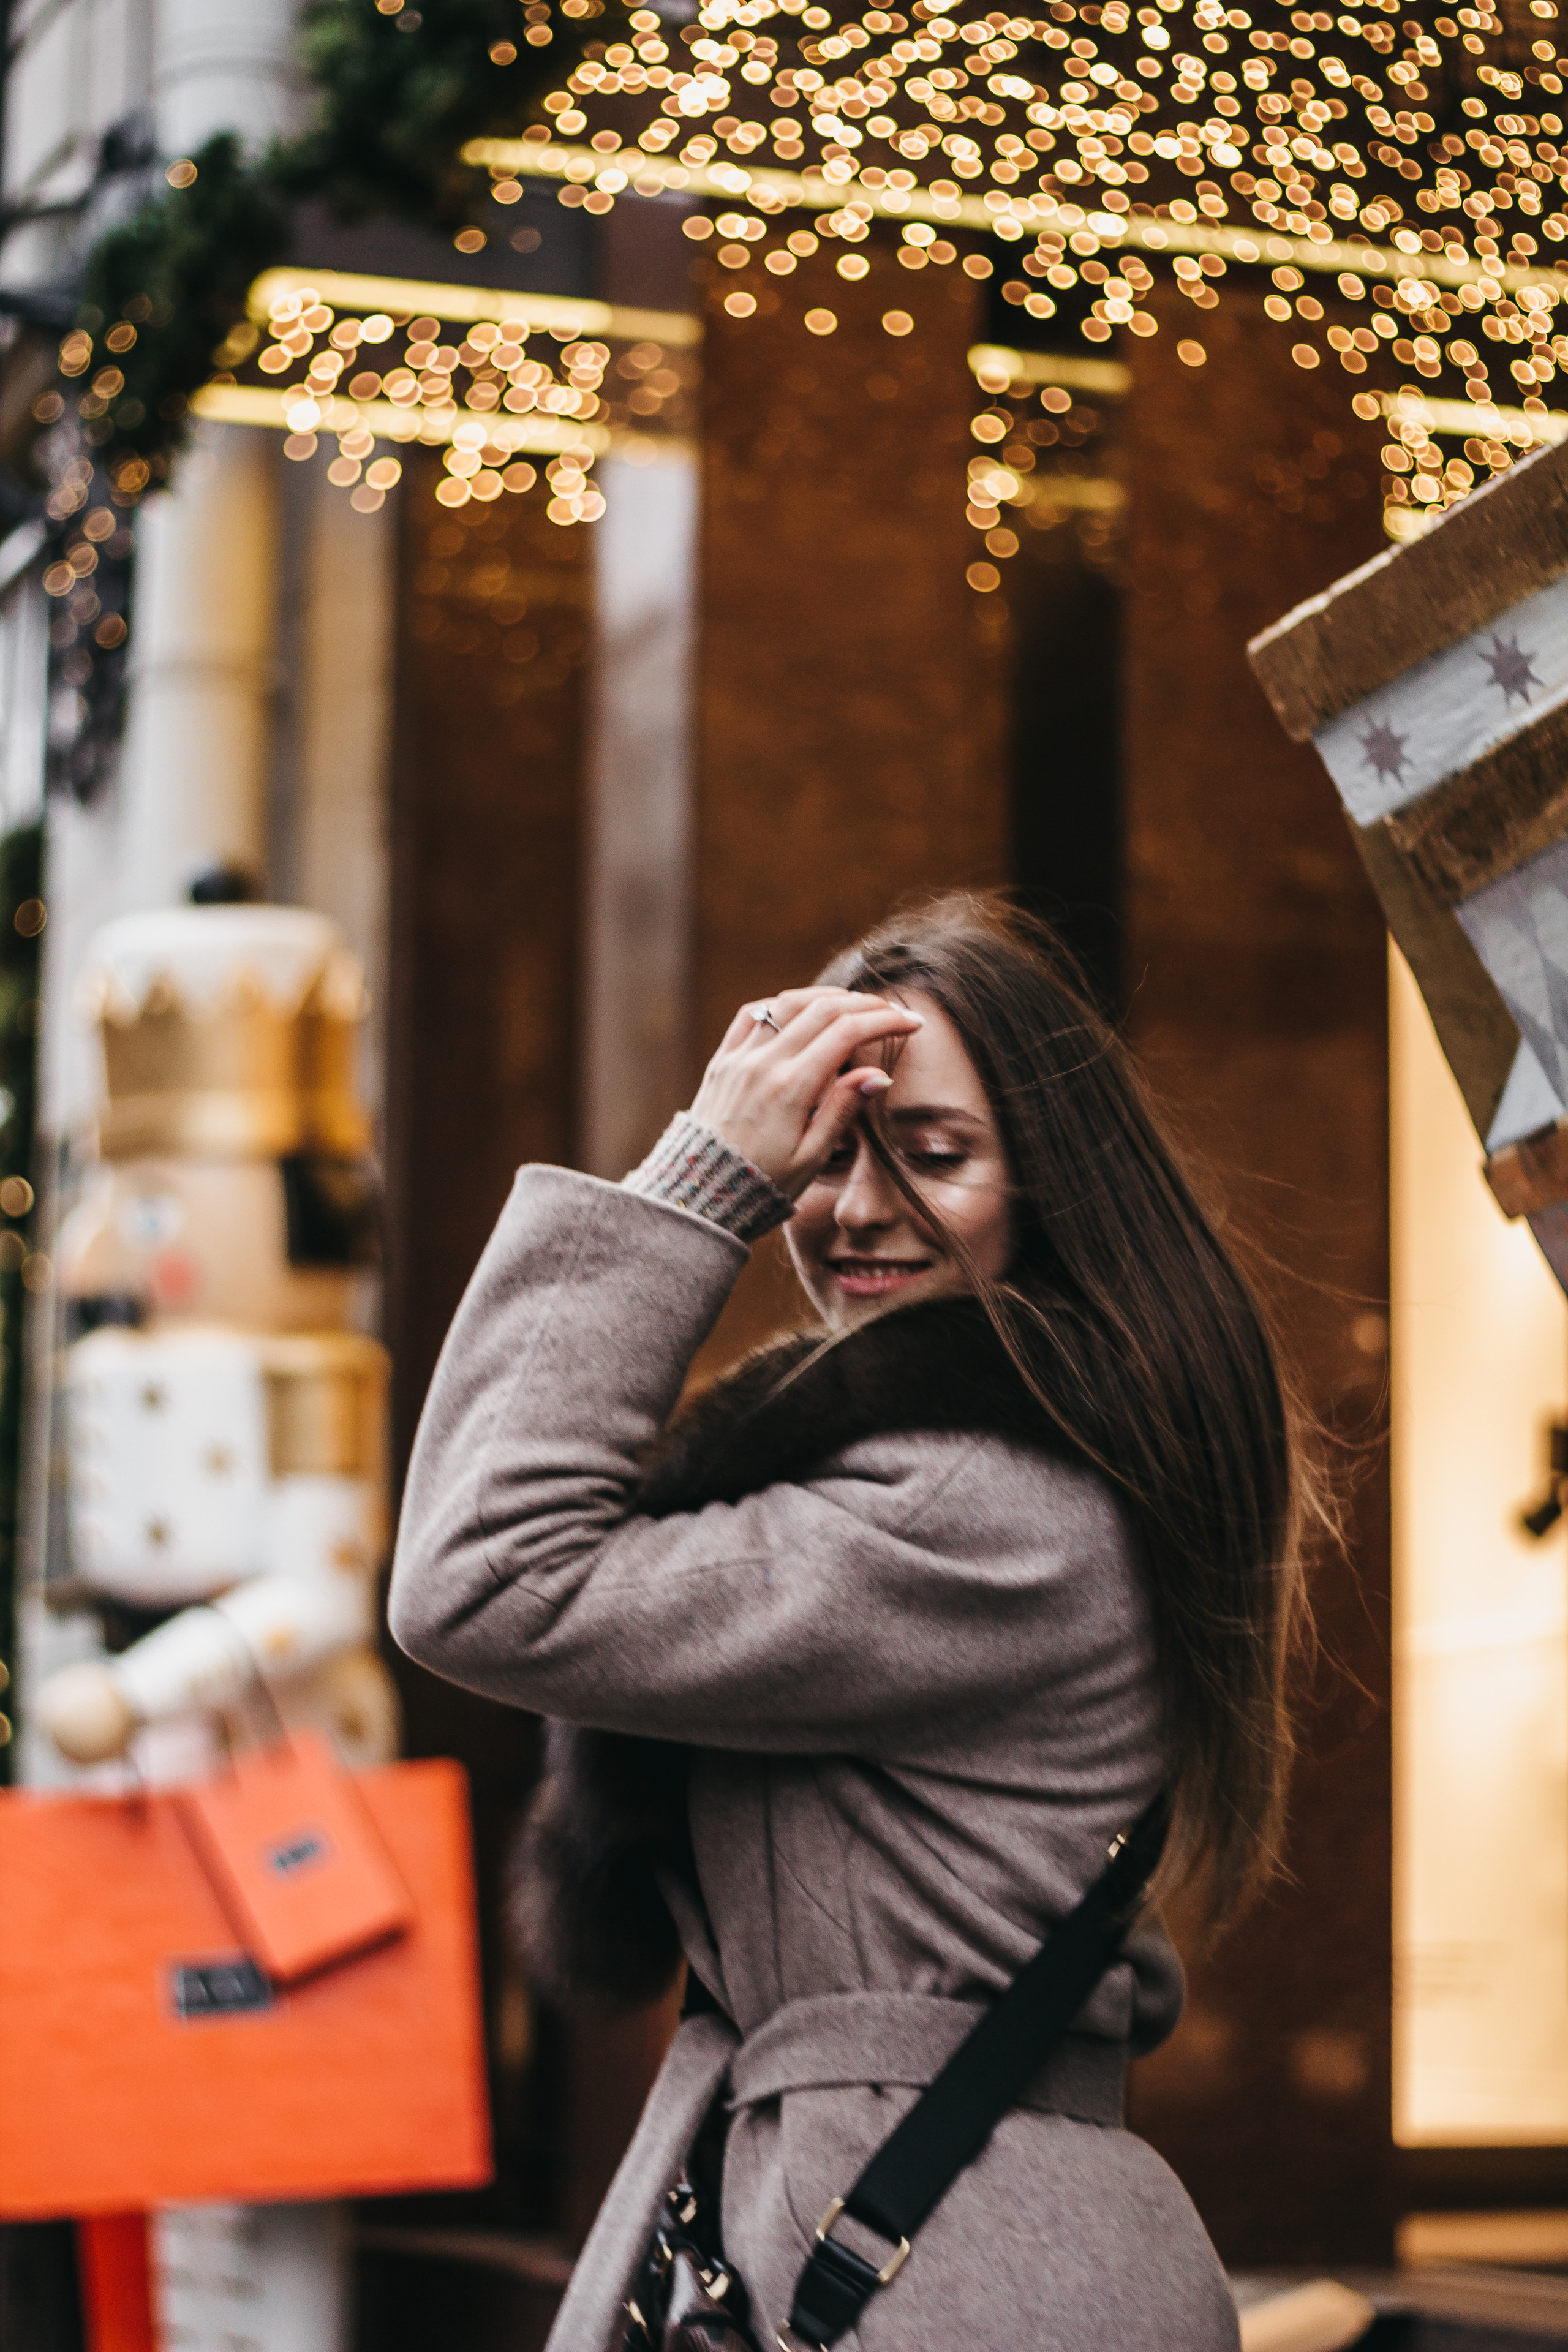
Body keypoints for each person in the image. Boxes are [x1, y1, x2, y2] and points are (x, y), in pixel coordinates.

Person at [389, 891, 1312, 2352]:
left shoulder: (980, 1507)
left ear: (1053, 1184)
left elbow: (484, 1574)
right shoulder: (934, 1473)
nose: (857, 1209)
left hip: (948, 2271)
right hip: (888, 2229)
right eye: (818, 1158)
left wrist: (702, 1178)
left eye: (935, 1155)